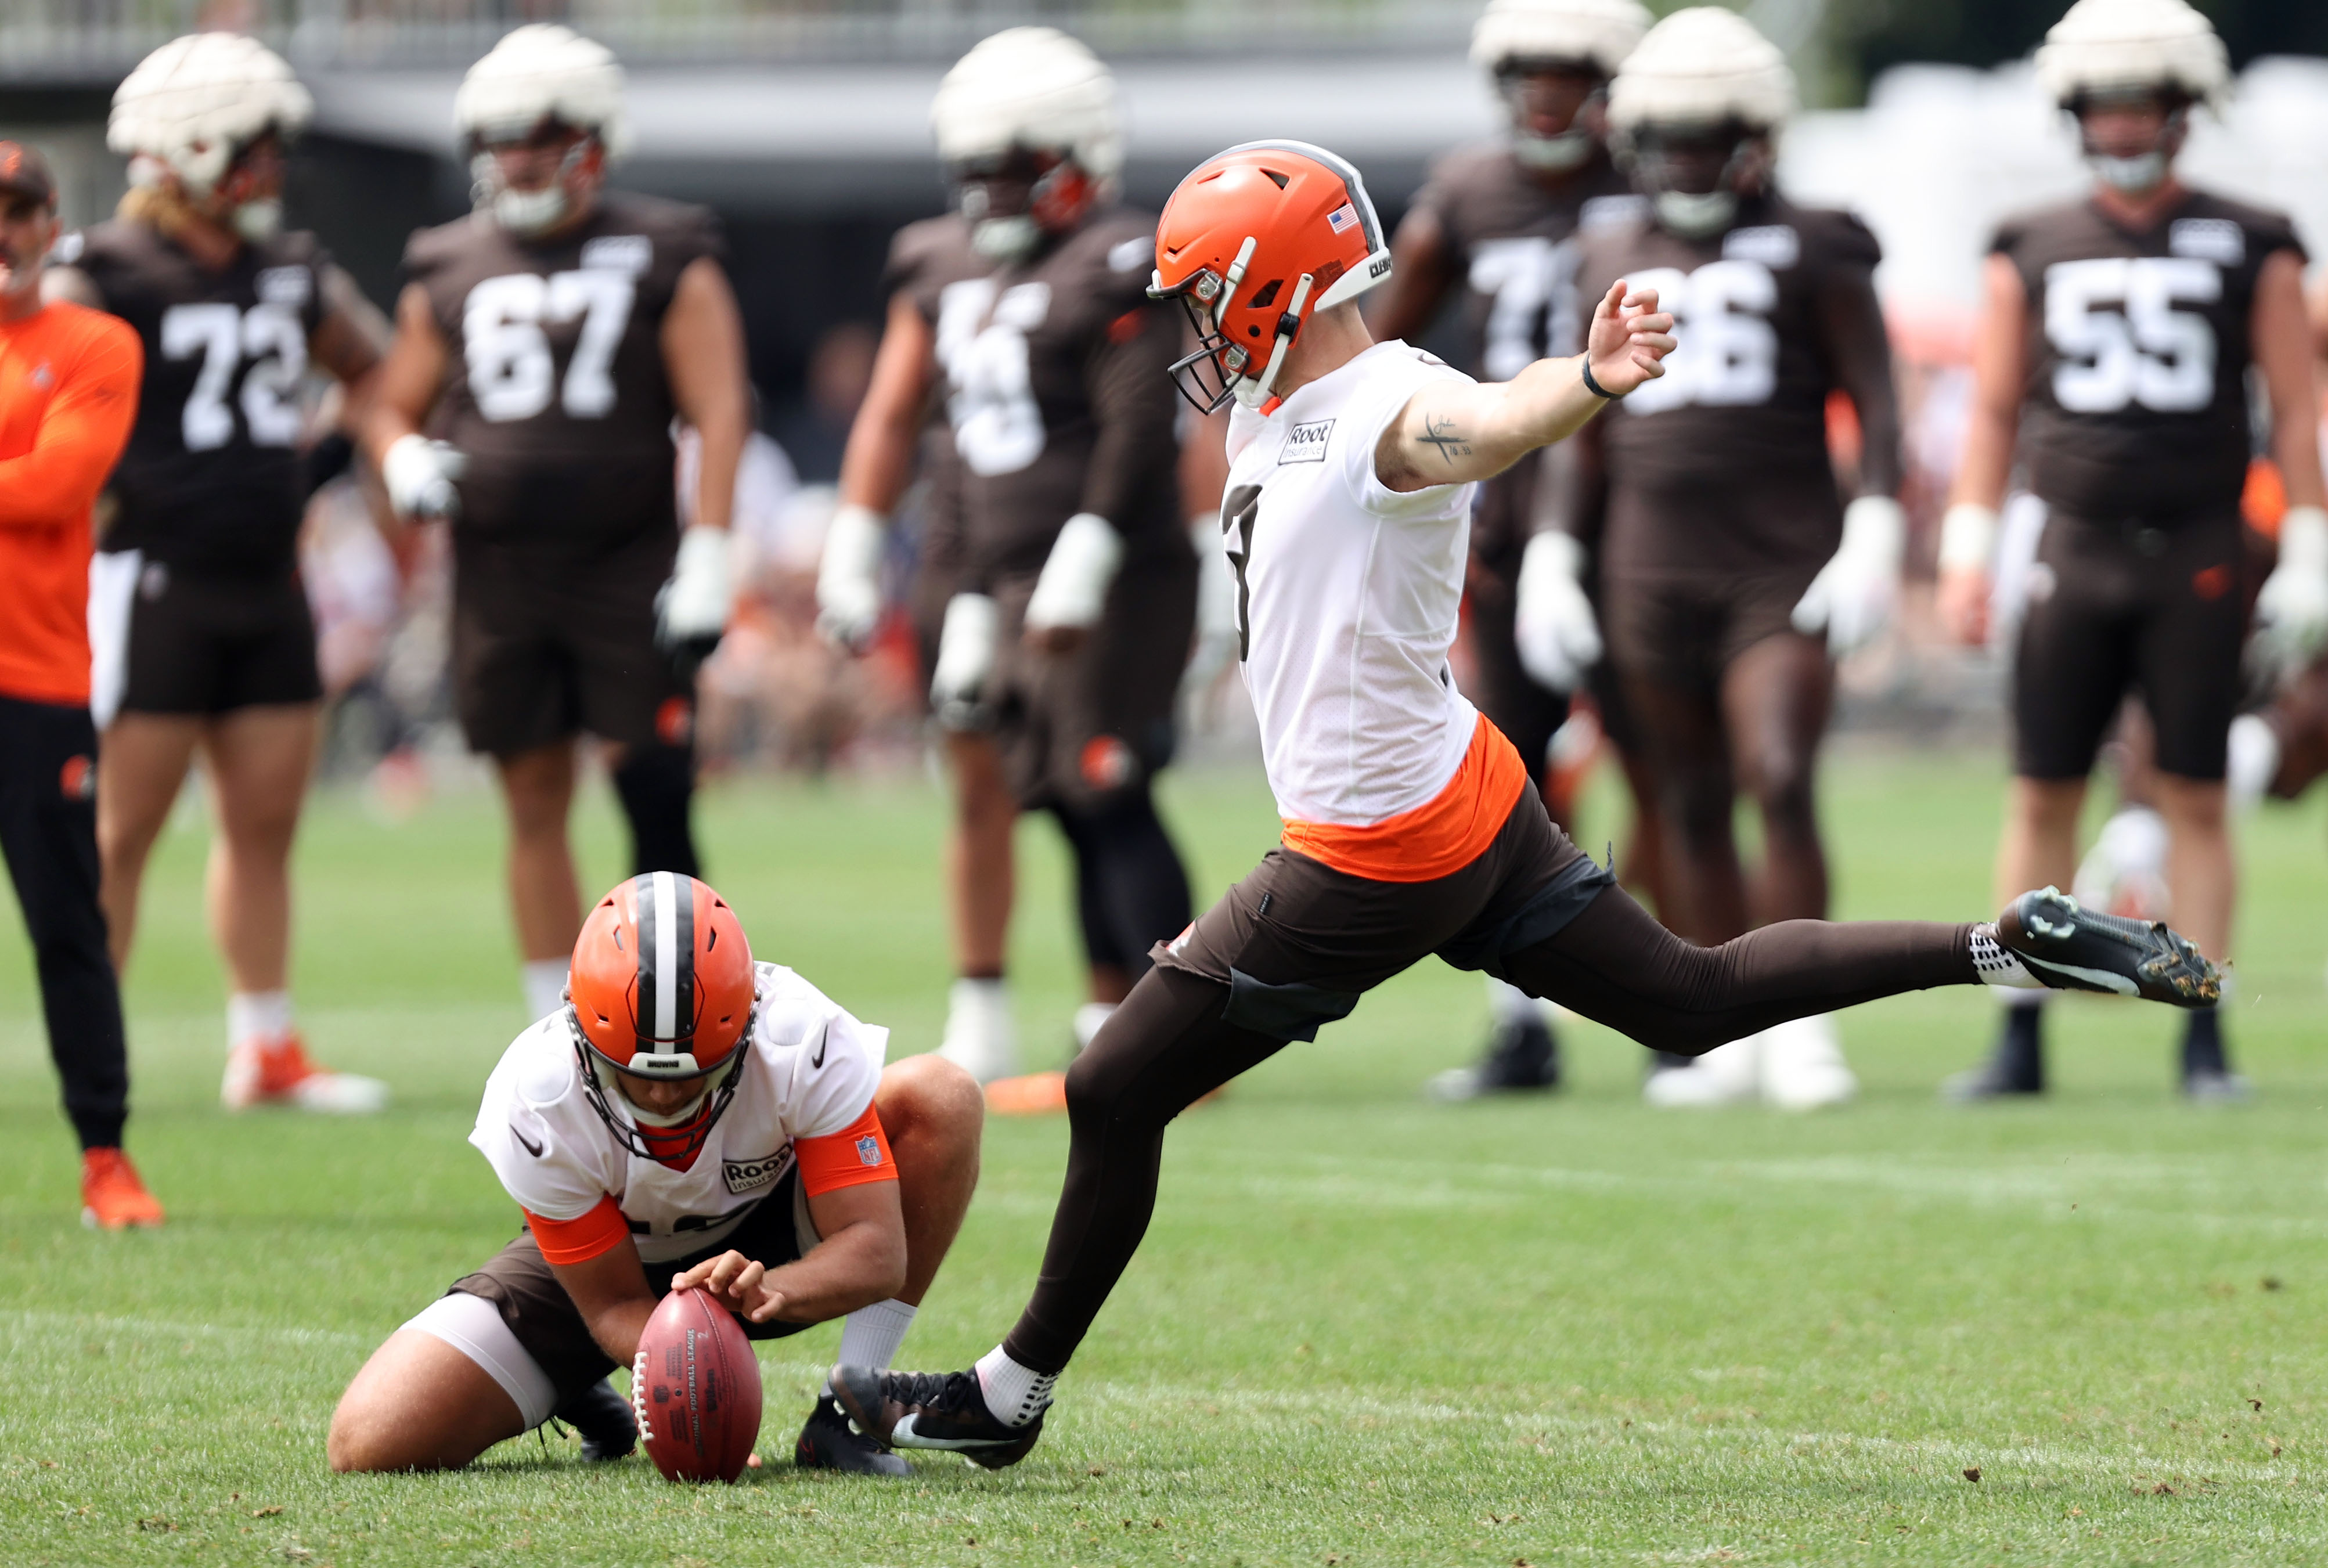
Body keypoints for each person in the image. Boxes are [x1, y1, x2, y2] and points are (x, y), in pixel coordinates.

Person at [826, 139, 2221, 1469]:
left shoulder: (1382, 401)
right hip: (1460, 787)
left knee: (1108, 1085)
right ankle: (2004, 939)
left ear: (1266, 283)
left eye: (1203, 289)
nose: (1187, 320)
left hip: (1371, 846)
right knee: (1690, 995)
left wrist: (1586, 380)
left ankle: (1002, 1398)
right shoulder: (1280, 402)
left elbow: (1474, 426)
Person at [1934, 0, 2326, 1101]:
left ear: (2184, 111)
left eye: (2137, 104)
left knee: (2195, 795)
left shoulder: (2255, 235)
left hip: (2197, 549)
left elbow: (2294, 410)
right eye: (2101, 106)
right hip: (2071, 542)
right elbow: (1995, 410)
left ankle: (2200, 1029)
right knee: (2039, 793)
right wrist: (1968, 536)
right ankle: (2017, 1030)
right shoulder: (2032, 240)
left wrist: (2308, 538)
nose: (2118, 125)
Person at [1541, 8, 1909, 1111]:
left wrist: (1879, 526)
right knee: (1687, 796)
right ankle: (1716, 1021)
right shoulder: (1606, 247)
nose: (1689, 161)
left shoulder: (1819, 237)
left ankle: (1800, 1022)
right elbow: (1585, 417)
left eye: (1710, 136)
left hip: (1779, 564)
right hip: (1646, 566)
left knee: (1781, 778)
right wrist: (1559, 549)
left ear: (1757, 137)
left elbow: (1880, 403)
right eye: (1672, 138)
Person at [816, 28, 1200, 1083]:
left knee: (1105, 780)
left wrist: (1092, 542)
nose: (995, 193)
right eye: (978, 171)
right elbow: (897, 416)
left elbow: (1137, 426)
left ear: (1082, 156)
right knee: (1024, 791)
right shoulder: (936, 261)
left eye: (1019, 167)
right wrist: (854, 539)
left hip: (1103, 567)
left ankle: (1177, 1034)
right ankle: (1064, 1019)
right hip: (978, 565)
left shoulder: (1123, 255)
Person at [327, 873, 984, 1475]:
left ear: (749, 1016)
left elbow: (876, 1250)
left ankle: (849, 1411)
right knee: (371, 1441)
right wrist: (688, 1401)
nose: (666, 1099)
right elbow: (612, 1302)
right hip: (617, 1266)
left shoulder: (798, 1034)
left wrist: (771, 1288)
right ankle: (576, 1381)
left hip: (771, 1231)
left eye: (698, 1073)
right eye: (635, 1077)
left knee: (941, 1096)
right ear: (578, 1029)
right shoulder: (535, 1095)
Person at [363, 25, 752, 1025]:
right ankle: (557, 1020)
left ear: (591, 137)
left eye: (538, 135)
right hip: (501, 567)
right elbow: (387, 399)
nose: (520, 158)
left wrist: (709, 550)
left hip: (629, 561)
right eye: (501, 139)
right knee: (531, 795)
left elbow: (718, 406)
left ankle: (692, 1002)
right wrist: (403, 453)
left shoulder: (665, 246)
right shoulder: (447, 261)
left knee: (654, 787)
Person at [44, 35, 390, 1112]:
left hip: (266, 578)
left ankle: (266, 1046)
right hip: (152, 577)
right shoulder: (97, 269)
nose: (272, 166)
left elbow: (372, 367)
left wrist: (341, 458)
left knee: (264, 823)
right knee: (122, 829)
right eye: (255, 144)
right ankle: (87, 1047)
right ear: (188, 145)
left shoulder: (288, 266)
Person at [1367, 0, 1650, 1101]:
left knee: (1669, 773)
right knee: (1512, 773)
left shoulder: (1652, 181)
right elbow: (1376, 346)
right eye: (1528, 68)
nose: (1546, 89)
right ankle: (1523, 1021)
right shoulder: (1468, 190)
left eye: (1569, 67)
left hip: (1645, 515)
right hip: (1506, 511)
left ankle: (1687, 1005)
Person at [0, 142, 162, 1229]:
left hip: (37, 678)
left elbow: (60, 484)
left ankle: (105, 1155)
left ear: (52, 223)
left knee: (69, 923)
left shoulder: (95, 340)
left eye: (17, 210)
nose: (3, 231)